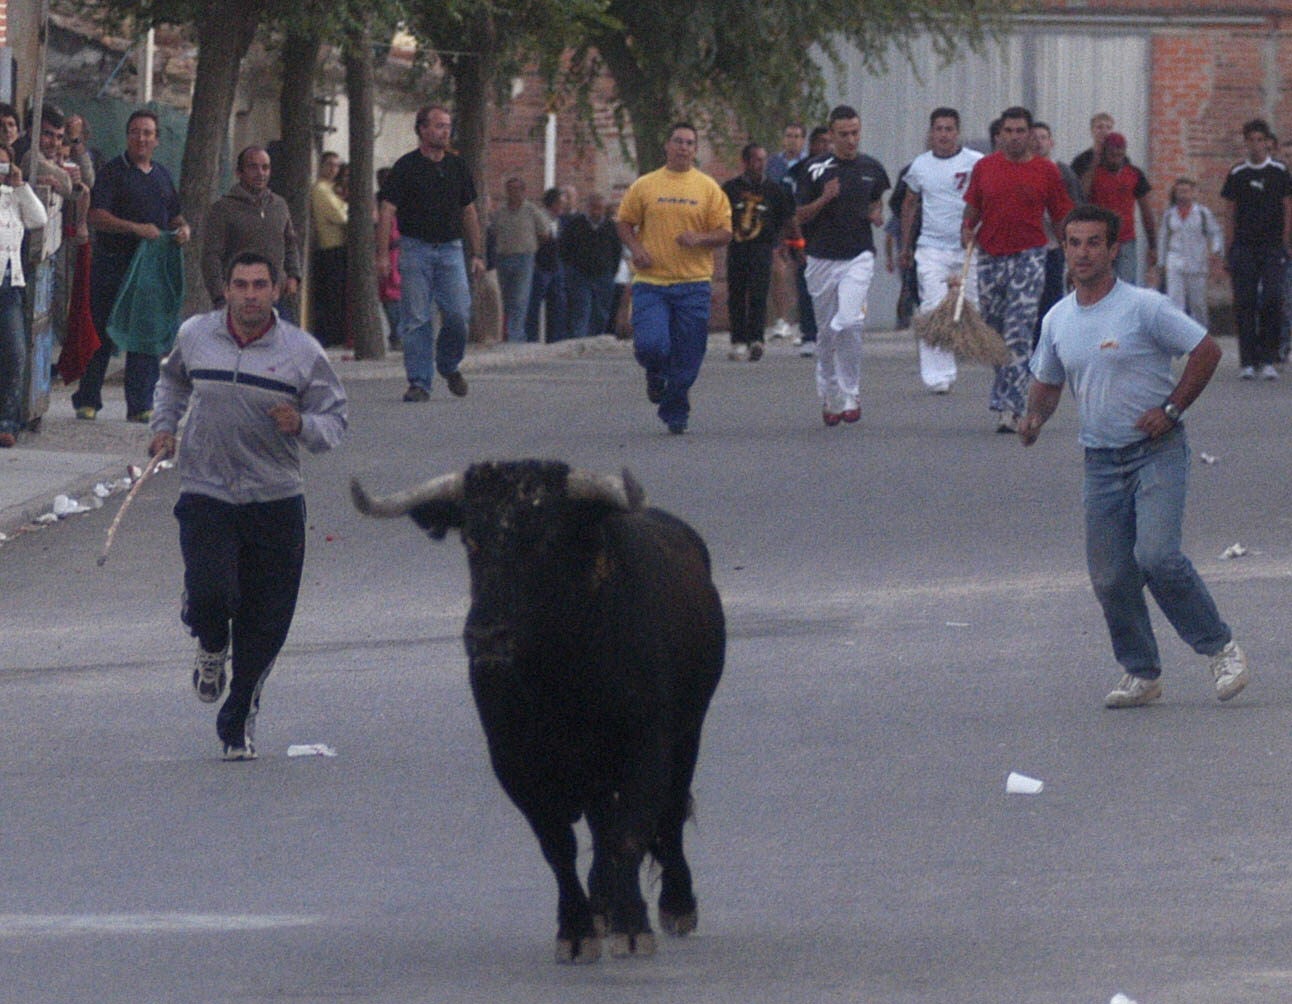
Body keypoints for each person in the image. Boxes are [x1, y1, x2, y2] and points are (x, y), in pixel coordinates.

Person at [1021, 204, 1250, 709]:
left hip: (1156, 452)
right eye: (1074, 242)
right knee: (1110, 575)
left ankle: (1221, 648)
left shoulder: (1144, 306)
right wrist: (1033, 418)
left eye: (1093, 243)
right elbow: (1047, 380)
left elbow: (1206, 351)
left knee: (1156, 556)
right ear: (1064, 248)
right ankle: (1141, 672)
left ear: (1112, 249)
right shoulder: (1058, 318)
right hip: (1100, 461)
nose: (1083, 252)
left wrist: (1172, 407)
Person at [148, 251, 348, 760]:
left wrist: (302, 425)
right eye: (242, 284)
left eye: (261, 285)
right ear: (228, 290)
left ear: (276, 291)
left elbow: (335, 422)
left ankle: (239, 717)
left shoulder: (302, 353)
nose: (251, 294)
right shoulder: (196, 335)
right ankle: (211, 642)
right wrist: (164, 428)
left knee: (266, 622)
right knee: (212, 592)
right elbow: (172, 381)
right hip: (207, 490)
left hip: (275, 498)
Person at [72, 109, 191, 423]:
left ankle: (140, 404)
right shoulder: (113, 172)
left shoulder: (163, 176)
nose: (142, 138)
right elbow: (96, 216)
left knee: (145, 335)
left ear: (156, 140)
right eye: (136, 132)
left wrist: (183, 229)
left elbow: (175, 215)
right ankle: (87, 400)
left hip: (149, 273)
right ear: (128, 136)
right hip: (113, 266)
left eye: (148, 133)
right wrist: (135, 228)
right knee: (102, 333)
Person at [961, 105, 1073, 432]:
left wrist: (1071, 250)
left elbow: (1062, 214)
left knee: (1018, 332)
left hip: (1030, 255)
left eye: (1019, 131)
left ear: (1029, 134)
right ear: (999, 135)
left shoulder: (1046, 171)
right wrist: (967, 227)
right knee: (995, 331)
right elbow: (973, 206)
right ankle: (1007, 390)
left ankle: (1010, 406)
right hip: (991, 254)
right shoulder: (985, 167)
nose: (1013, 137)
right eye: (1007, 132)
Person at [616, 121, 732, 434]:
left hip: (693, 284)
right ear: (667, 146)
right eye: (678, 141)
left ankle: (675, 412)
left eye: (689, 143)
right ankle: (655, 374)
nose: (683, 147)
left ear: (696, 150)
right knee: (652, 345)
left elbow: (725, 233)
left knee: (688, 353)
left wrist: (699, 239)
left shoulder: (708, 189)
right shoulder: (646, 185)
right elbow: (624, 223)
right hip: (652, 283)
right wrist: (636, 248)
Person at [377, 104, 484, 402]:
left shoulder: (457, 167)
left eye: (448, 126)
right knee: (416, 318)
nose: (445, 131)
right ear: (422, 130)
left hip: (451, 250)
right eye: (438, 126)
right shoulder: (406, 167)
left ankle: (448, 364)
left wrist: (477, 253)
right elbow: (387, 210)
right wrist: (383, 254)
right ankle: (419, 382)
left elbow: (470, 211)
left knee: (458, 315)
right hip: (415, 249)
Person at [795, 104, 890, 426]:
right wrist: (823, 198)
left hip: (858, 256)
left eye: (855, 133)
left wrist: (875, 213)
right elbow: (798, 216)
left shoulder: (871, 168)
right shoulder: (814, 169)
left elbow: (876, 200)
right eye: (844, 134)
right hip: (821, 258)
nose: (851, 140)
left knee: (849, 322)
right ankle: (830, 394)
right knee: (826, 331)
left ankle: (851, 391)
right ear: (831, 136)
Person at [901, 106, 983, 393]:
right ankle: (938, 375)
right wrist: (906, 245)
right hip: (931, 248)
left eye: (949, 129)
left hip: (968, 248)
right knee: (933, 308)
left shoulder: (977, 163)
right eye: (939, 129)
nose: (944, 135)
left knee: (971, 305)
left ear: (957, 132)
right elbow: (909, 205)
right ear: (931, 133)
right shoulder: (920, 166)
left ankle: (963, 347)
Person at [1221, 117, 1292, 380]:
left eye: (1260, 140)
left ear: (1268, 143)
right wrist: (1228, 247)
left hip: (1273, 246)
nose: (1255, 145)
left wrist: (1286, 241)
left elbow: (1287, 207)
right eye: (1251, 140)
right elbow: (1229, 212)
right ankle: (1248, 361)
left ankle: (1269, 358)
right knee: (1245, 302)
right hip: (1244, 246)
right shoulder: (1238, 173)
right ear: (1245, 143)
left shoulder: (1279, 172)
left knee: (1273, 298)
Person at [201, 146, 302, 321]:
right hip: (240, 299)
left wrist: (293, 276)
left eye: (265, 167)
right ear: (239, 172)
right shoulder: (223, 209)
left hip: (276, 298)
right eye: (253, 167)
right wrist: (220, 296)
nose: (260, 173)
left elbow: (290, 243)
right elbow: (211, 256)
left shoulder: (279, 205)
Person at [722, 142, 796, 360]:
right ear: (745, 162)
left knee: (758, 294)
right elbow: (719, 216)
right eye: (756, 160)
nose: (760, 164)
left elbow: (786, 218)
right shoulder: (731, 189)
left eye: (763, 160)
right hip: (737, 248)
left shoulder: (774, 190)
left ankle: (756, 339)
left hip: (762, 249)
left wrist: (781, 243)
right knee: (736, 295)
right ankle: (738, 341)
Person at [0, 145, 49, 448]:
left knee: (15, 352)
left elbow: (38, 218)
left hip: (10, 282)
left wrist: (20, 186)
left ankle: (7, 420)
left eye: (5, 165)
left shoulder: (15, 196)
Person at [1030, 121, 1083, 348]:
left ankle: (1049, 343)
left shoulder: (1062, 172)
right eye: (1035, 137)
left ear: (1051, 142)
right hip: (1028, 247)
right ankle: (1032, 344)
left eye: (1043, 137)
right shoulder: (1024, 170)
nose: (1039, 142)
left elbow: (1076, 206)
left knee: (1051, 298)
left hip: (1053, 245)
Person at [1083, 132, 1155, 285]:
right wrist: (1094, 164)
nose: (1115, 155)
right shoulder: (1094, 173)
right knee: (1098, 285)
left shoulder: (1134, 174)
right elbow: (1081, 196)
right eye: (1111, 152)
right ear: (1104, 152)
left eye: (1119, 151)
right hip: (1098, 240)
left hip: (1125, 240)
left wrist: (1152, 245)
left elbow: (1146, 211)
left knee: (1125, 286)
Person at [786, 126, 831, 357]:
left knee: (831, 288)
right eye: (819, 142)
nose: (824, 147)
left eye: (828, 142)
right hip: (807, 237)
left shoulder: (839, 169)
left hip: (833, 237)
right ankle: (809, 335)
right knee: (806, 287)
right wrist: (797, 239)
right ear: (811, 145)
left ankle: (829, 333)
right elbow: (793, 209)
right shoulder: (802, 171)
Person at [491, 176, 548, 343]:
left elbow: (544, 233)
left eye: (517, 189)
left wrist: (532, 246)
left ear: (523, 191)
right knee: (505, 297)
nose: (513, 193)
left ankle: (515, 335)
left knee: (520, 297)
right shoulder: (500, 212)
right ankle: (505, 332)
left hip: (524, 257)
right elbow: (493, 232)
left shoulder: (532, 211)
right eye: (510, 189)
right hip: (503, 257)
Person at [1158, 177, 1221, 326]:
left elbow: (1215, 233)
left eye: (1186, 191)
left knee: (1197, 304)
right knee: (1175, 303)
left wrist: (1215, 251)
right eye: (1180, 191)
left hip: (1197, 262)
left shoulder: (1202, 214)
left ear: (1193, 193)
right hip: (1175, 261)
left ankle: (1201, 335)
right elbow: (1163, 239)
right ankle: (1177, 336)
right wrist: (1161, 263)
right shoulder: (1169, 215)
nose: (1183, 195)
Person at [560, 191, 622, 339]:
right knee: (581, 309)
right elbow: (564, 248)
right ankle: (579, 341)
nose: (596, 211)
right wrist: (571, 269)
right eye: (593, 207)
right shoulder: (575, 224)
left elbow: (616, 251)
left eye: (599, 208)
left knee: (601, 311)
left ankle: (595, 339)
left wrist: (611, 270)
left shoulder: (610, 226)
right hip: (579, 274)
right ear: (587, 207)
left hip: (603, 274)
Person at [766, 122, 807, 340]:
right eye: (789, 135)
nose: (792, 140)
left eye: (797, 136)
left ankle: (804, 322)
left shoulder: (808, 164)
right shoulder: (773, 163)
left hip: (802, 221)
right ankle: (782, 320)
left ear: (803, 140)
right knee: (778, 268)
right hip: (778, 222)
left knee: (803, 270)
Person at [310, 151, 348, 347]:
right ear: (322, 165)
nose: (334, 169)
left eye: (337, 165)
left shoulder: (332, 189)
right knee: (331, 295)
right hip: (330, 247)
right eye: (330, 165)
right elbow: (340, 216)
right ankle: (330, 336)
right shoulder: (321, 190)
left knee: (337, 295)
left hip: (337, 247)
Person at [525, 187, 568, 342]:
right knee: (533, 305)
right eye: (561, 203)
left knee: (557, 305)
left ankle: (554, 338)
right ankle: (531, 338)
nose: (563, 206)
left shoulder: (560, 221)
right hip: (541, 266)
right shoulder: (541, 218)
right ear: (553, 203)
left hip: (555, 266)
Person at [1070, 111, 1116, 181]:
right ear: (1092, 131)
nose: (1104, 131)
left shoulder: (1120, 160)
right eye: (1099, 127)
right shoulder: (1081, 161)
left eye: (1108, 128)